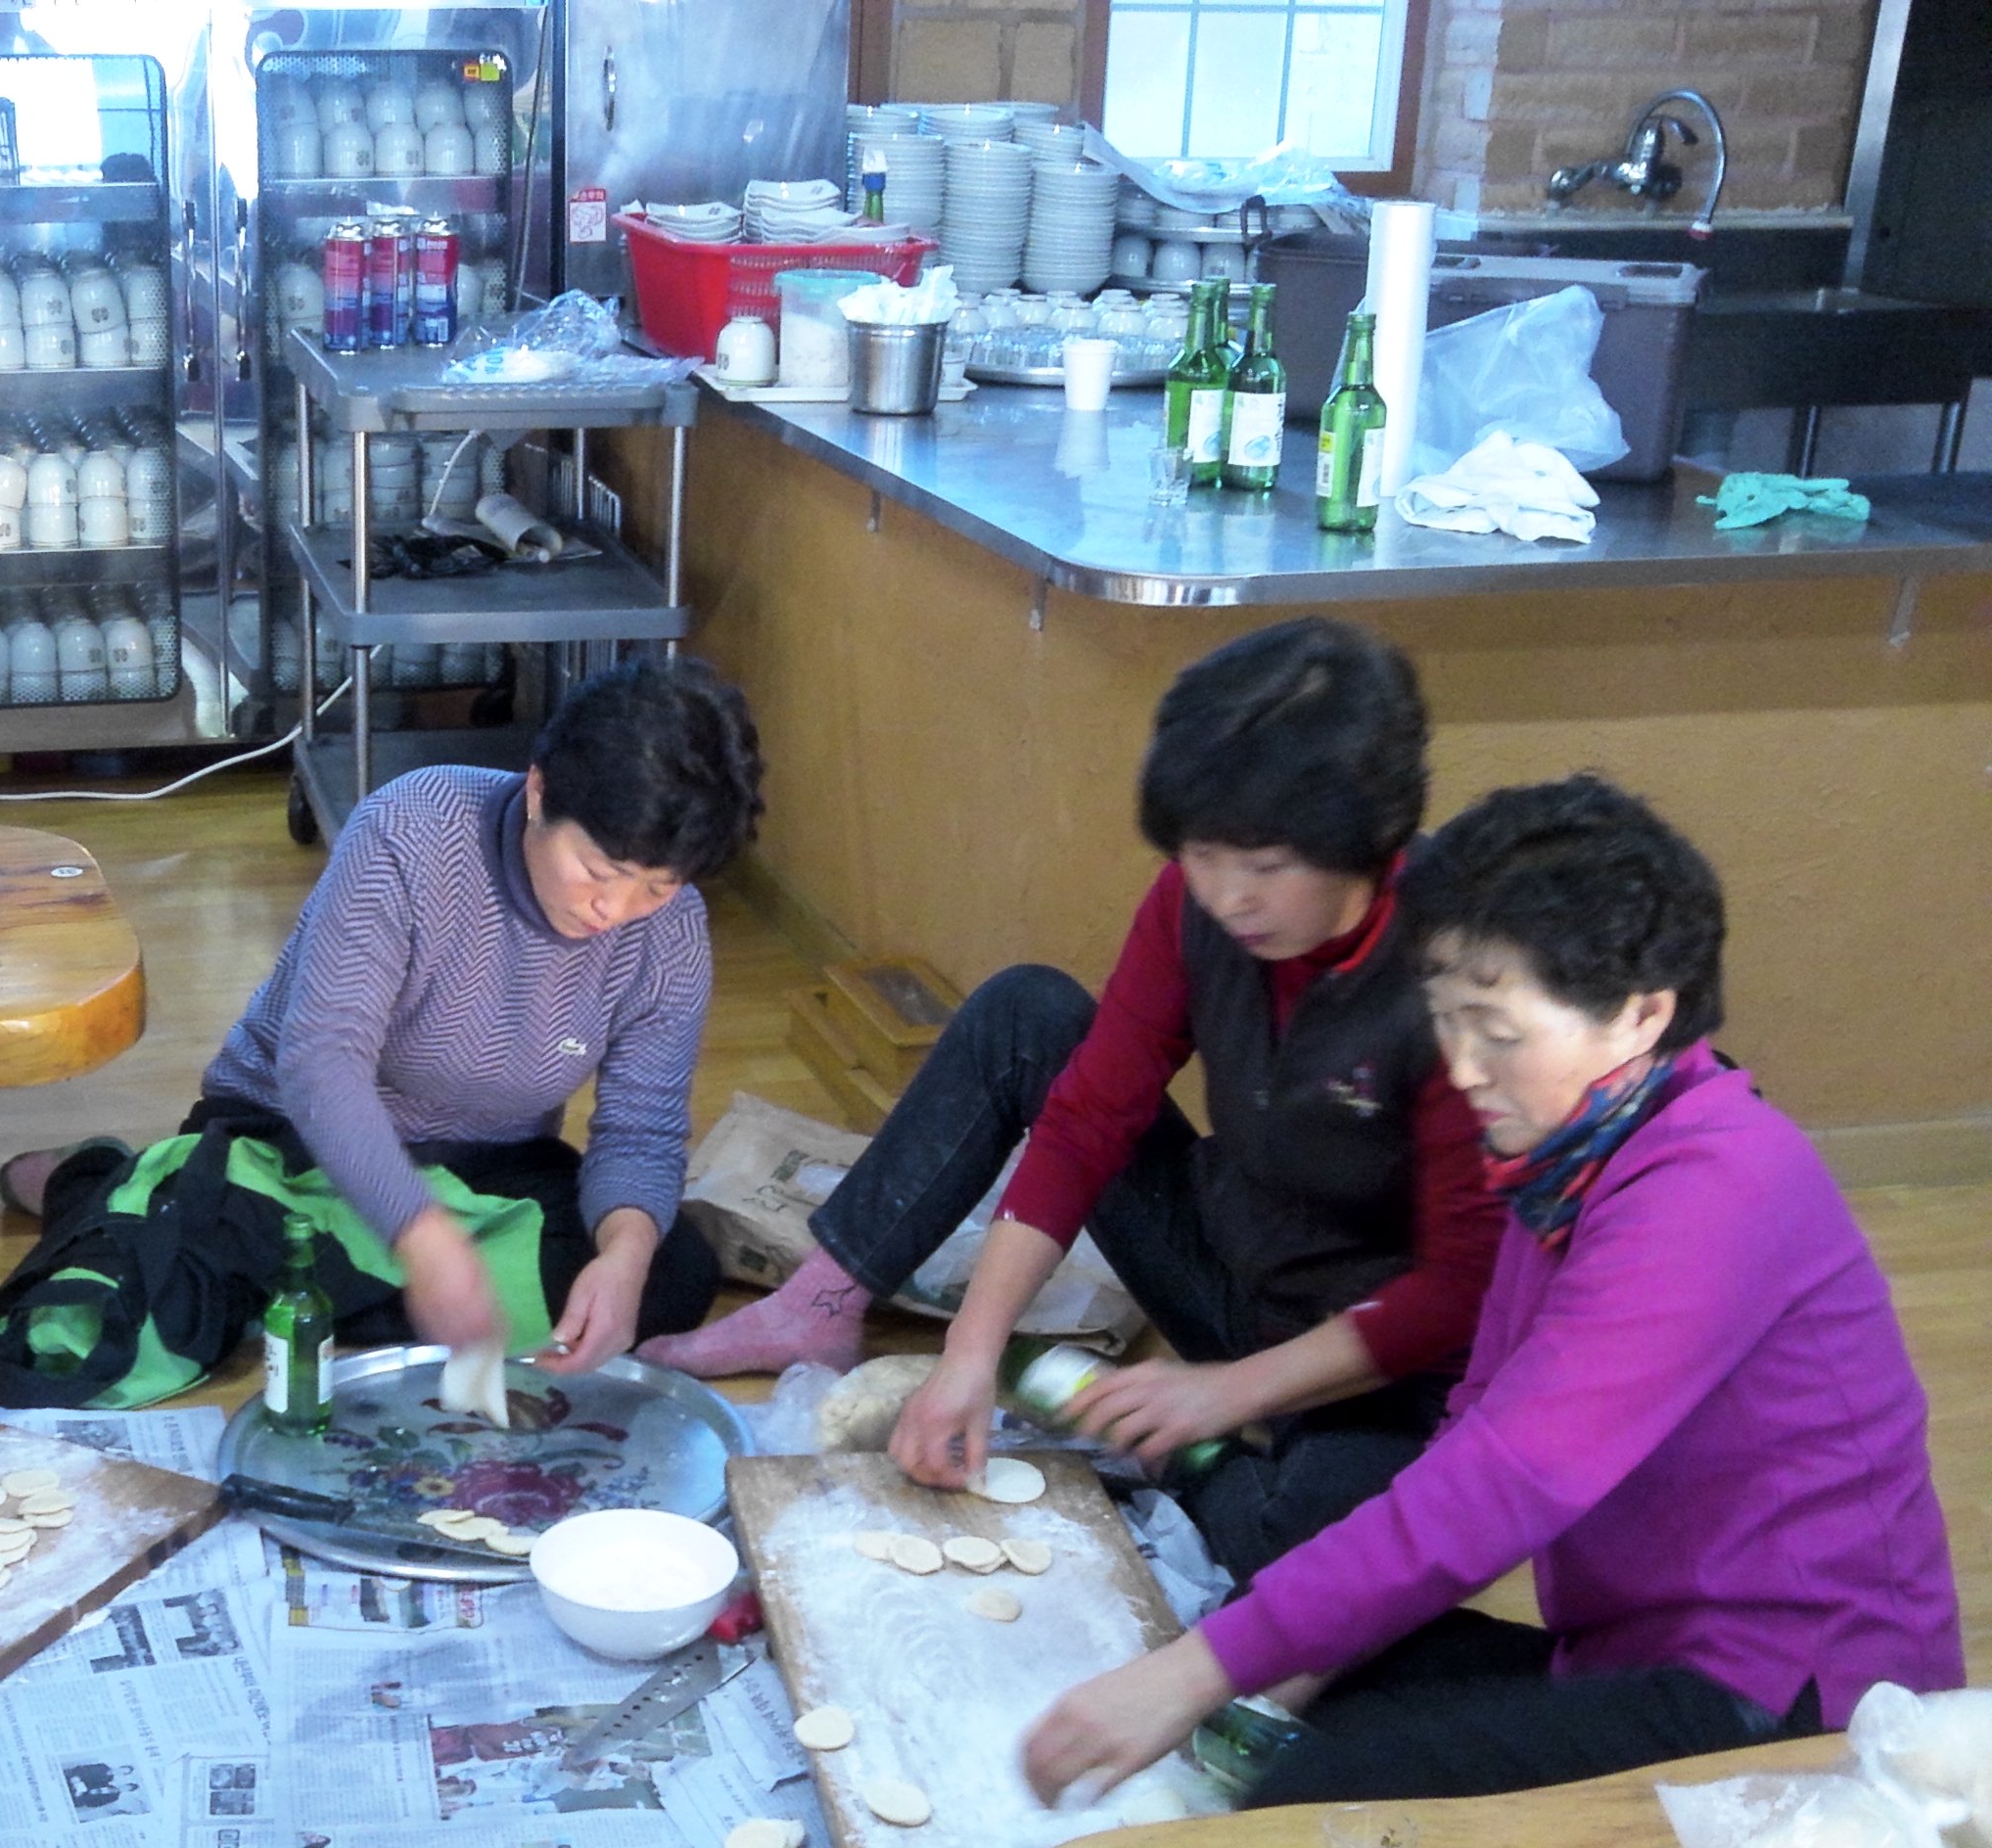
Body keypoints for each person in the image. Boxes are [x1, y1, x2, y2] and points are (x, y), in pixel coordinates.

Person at [1022, 776, 1963, 1810]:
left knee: (1318, 1782)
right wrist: (1279, 1664)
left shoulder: (1720, 1186)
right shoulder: (1562, 1158)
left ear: (1640, 1013)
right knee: (1286, 1676)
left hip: (1800, 1703)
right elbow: (1472, 1429)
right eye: (1446, 1024)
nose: (1463, 1070)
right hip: (1627, 1651)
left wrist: (1189, 1675)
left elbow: (1506, 1486)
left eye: (1497, 1032)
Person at [642, 619, 1503, 1586]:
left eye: (1265, 868)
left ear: (1369, 843)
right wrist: (970, 1352)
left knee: (1308, 1559)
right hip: (1237, 1272)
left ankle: (1195, 1455)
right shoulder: (1193, 904)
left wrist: (1225, 1396)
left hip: (1378, 1357)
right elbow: (1091, 1116)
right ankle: (822, 1302)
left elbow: (1458, 1293)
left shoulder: (1462, 977)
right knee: (1027, 1015)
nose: (1229, 897)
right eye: (1204, 855)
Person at [5, 659, 765, 1375]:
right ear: (538, 791)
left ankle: (318, 1285)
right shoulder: (413, 832)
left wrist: (624, 1257)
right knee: (102, 1332)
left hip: (485, 1172)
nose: (616, 910)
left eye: (656, 888)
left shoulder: (669, 933)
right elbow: (322, 1067)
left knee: (670, 1273)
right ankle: (97, 1181)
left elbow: (641, 1128)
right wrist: (423, 1238)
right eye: (599, 872)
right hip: (292, 1143)